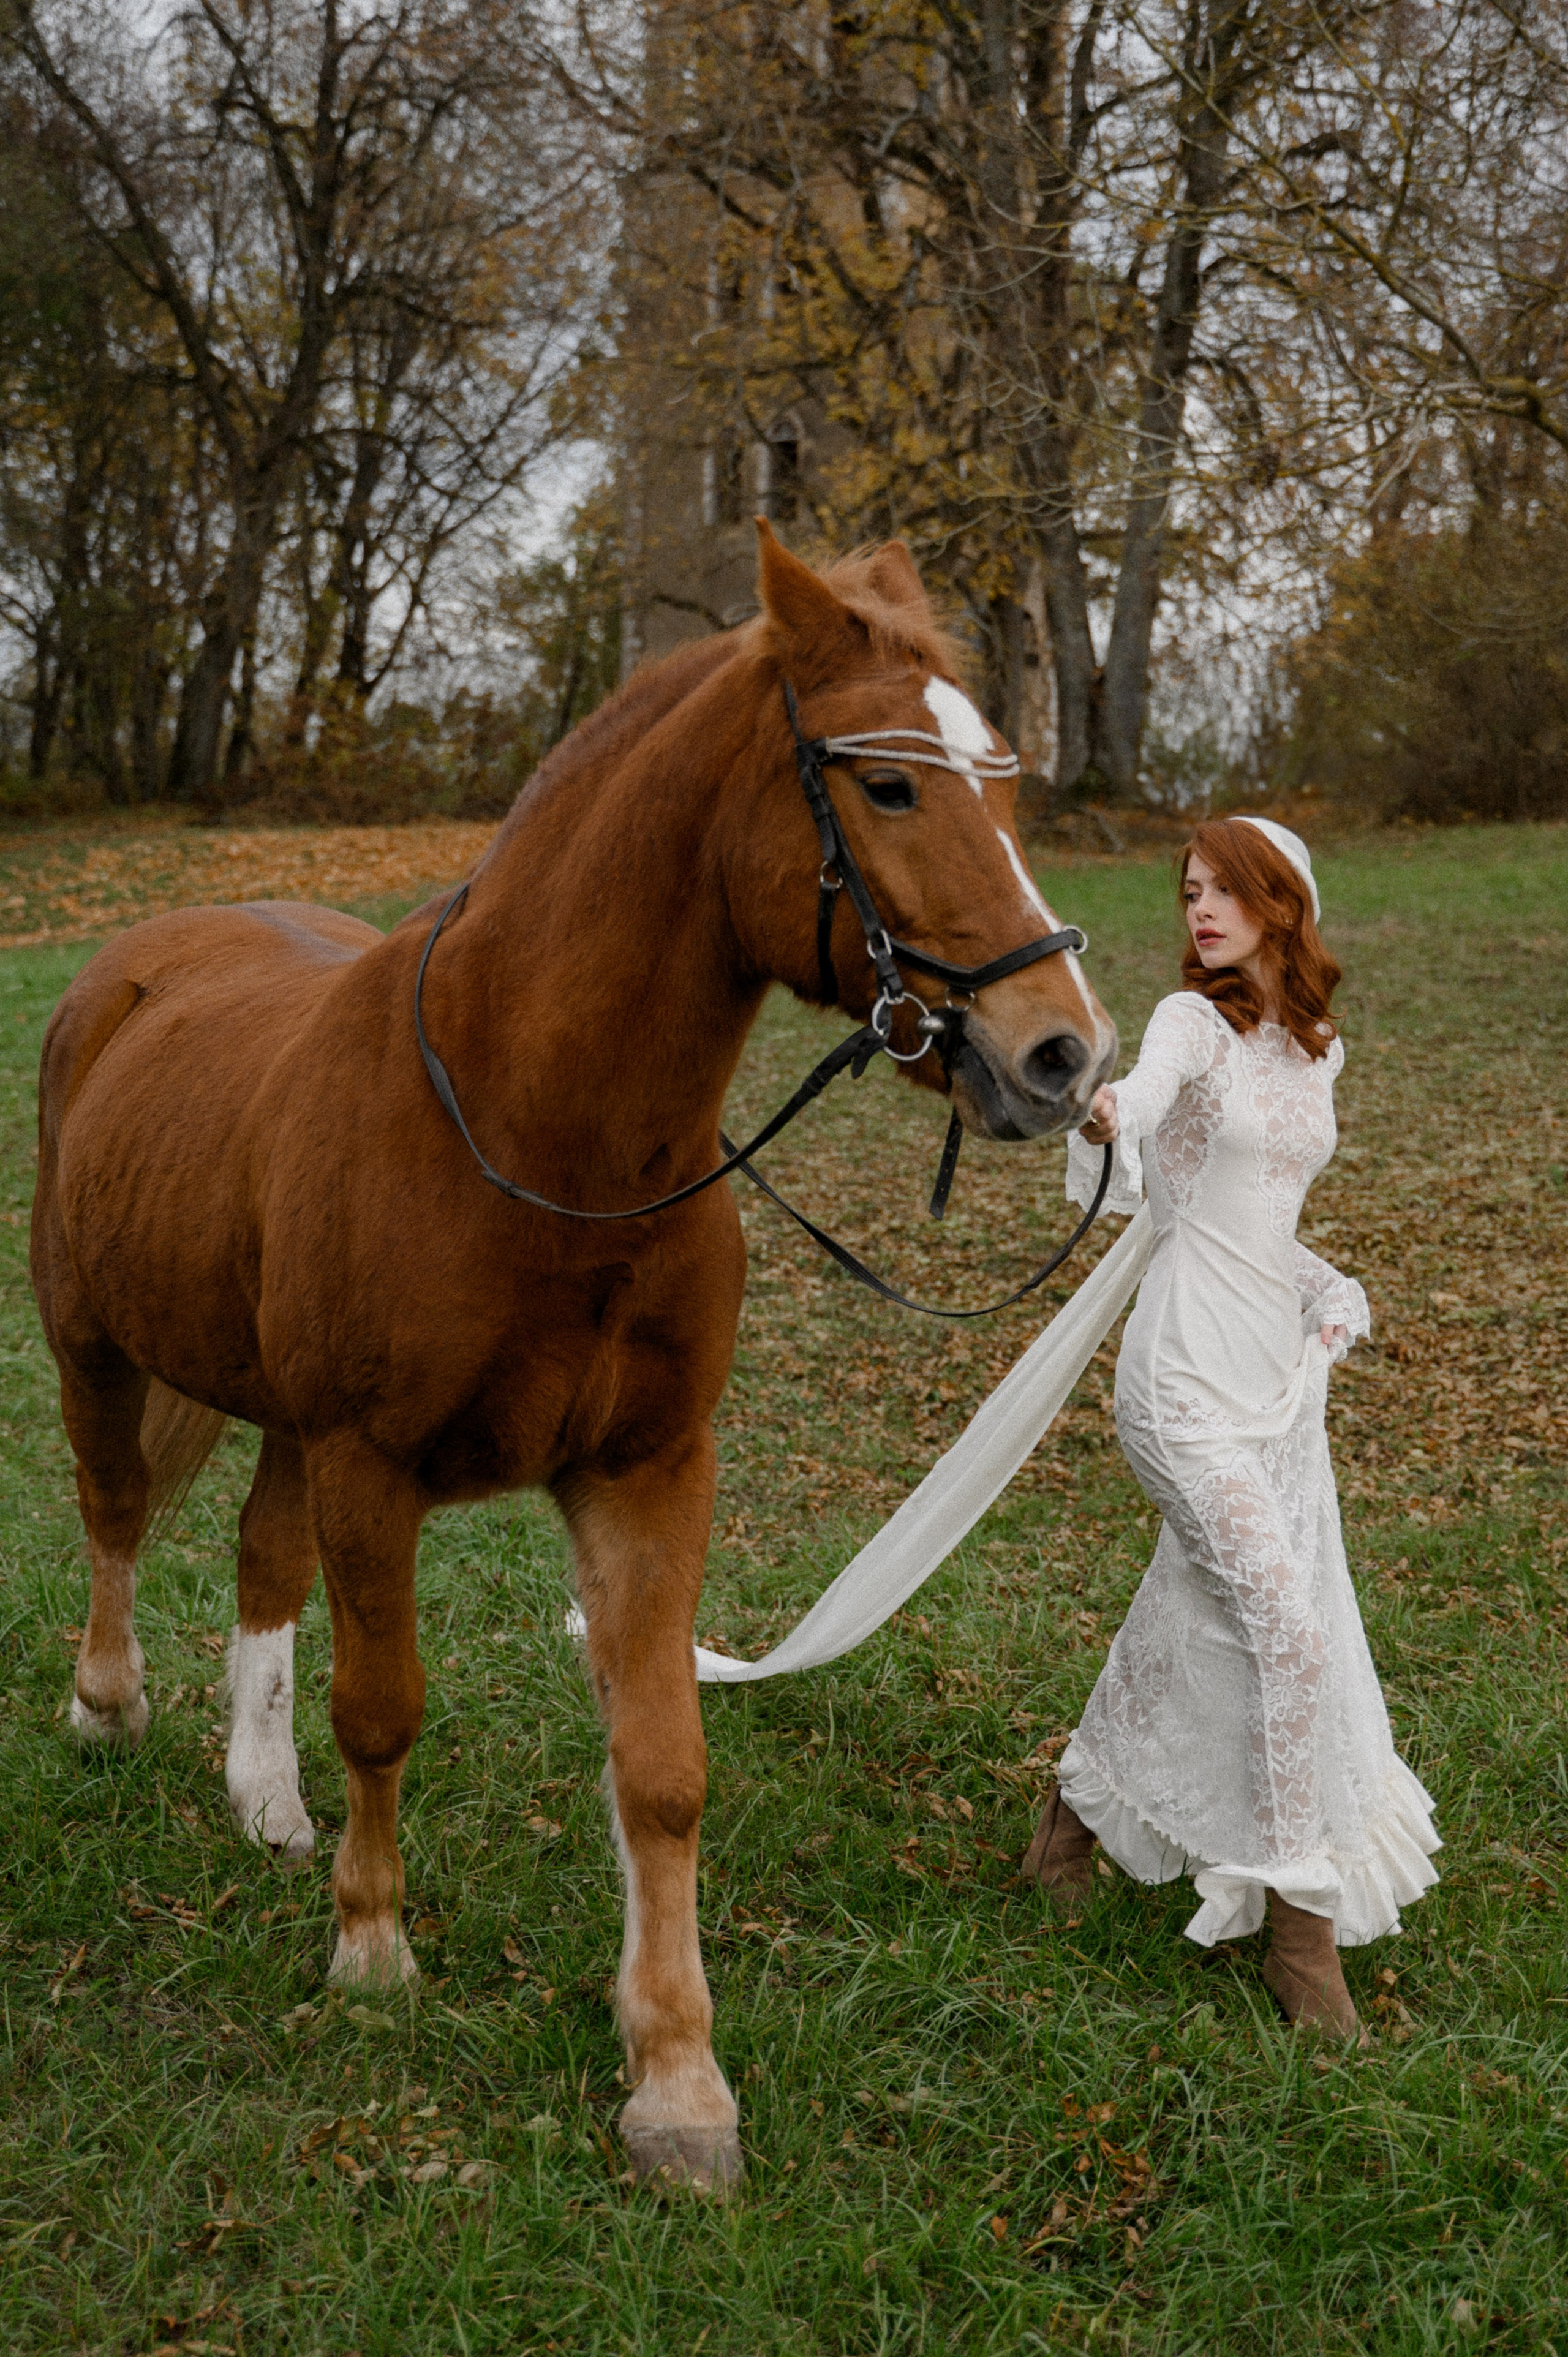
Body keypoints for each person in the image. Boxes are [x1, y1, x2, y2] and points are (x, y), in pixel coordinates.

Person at [1023, 816, 1439, 2037]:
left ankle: (1070, 1814)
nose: (1198, 907)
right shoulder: (1187, 1024)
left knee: (1203, 1608)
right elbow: (1142, 1103)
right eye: (1188, 889)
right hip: (1182, 1380)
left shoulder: (1316, 1051)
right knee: (1288, 1633)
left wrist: (1324, 1286)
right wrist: (1106, 1113)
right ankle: (1299, 1935)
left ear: (1281, 900)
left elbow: (1255, 1218)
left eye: (1223, 888)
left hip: (1274, 1375)